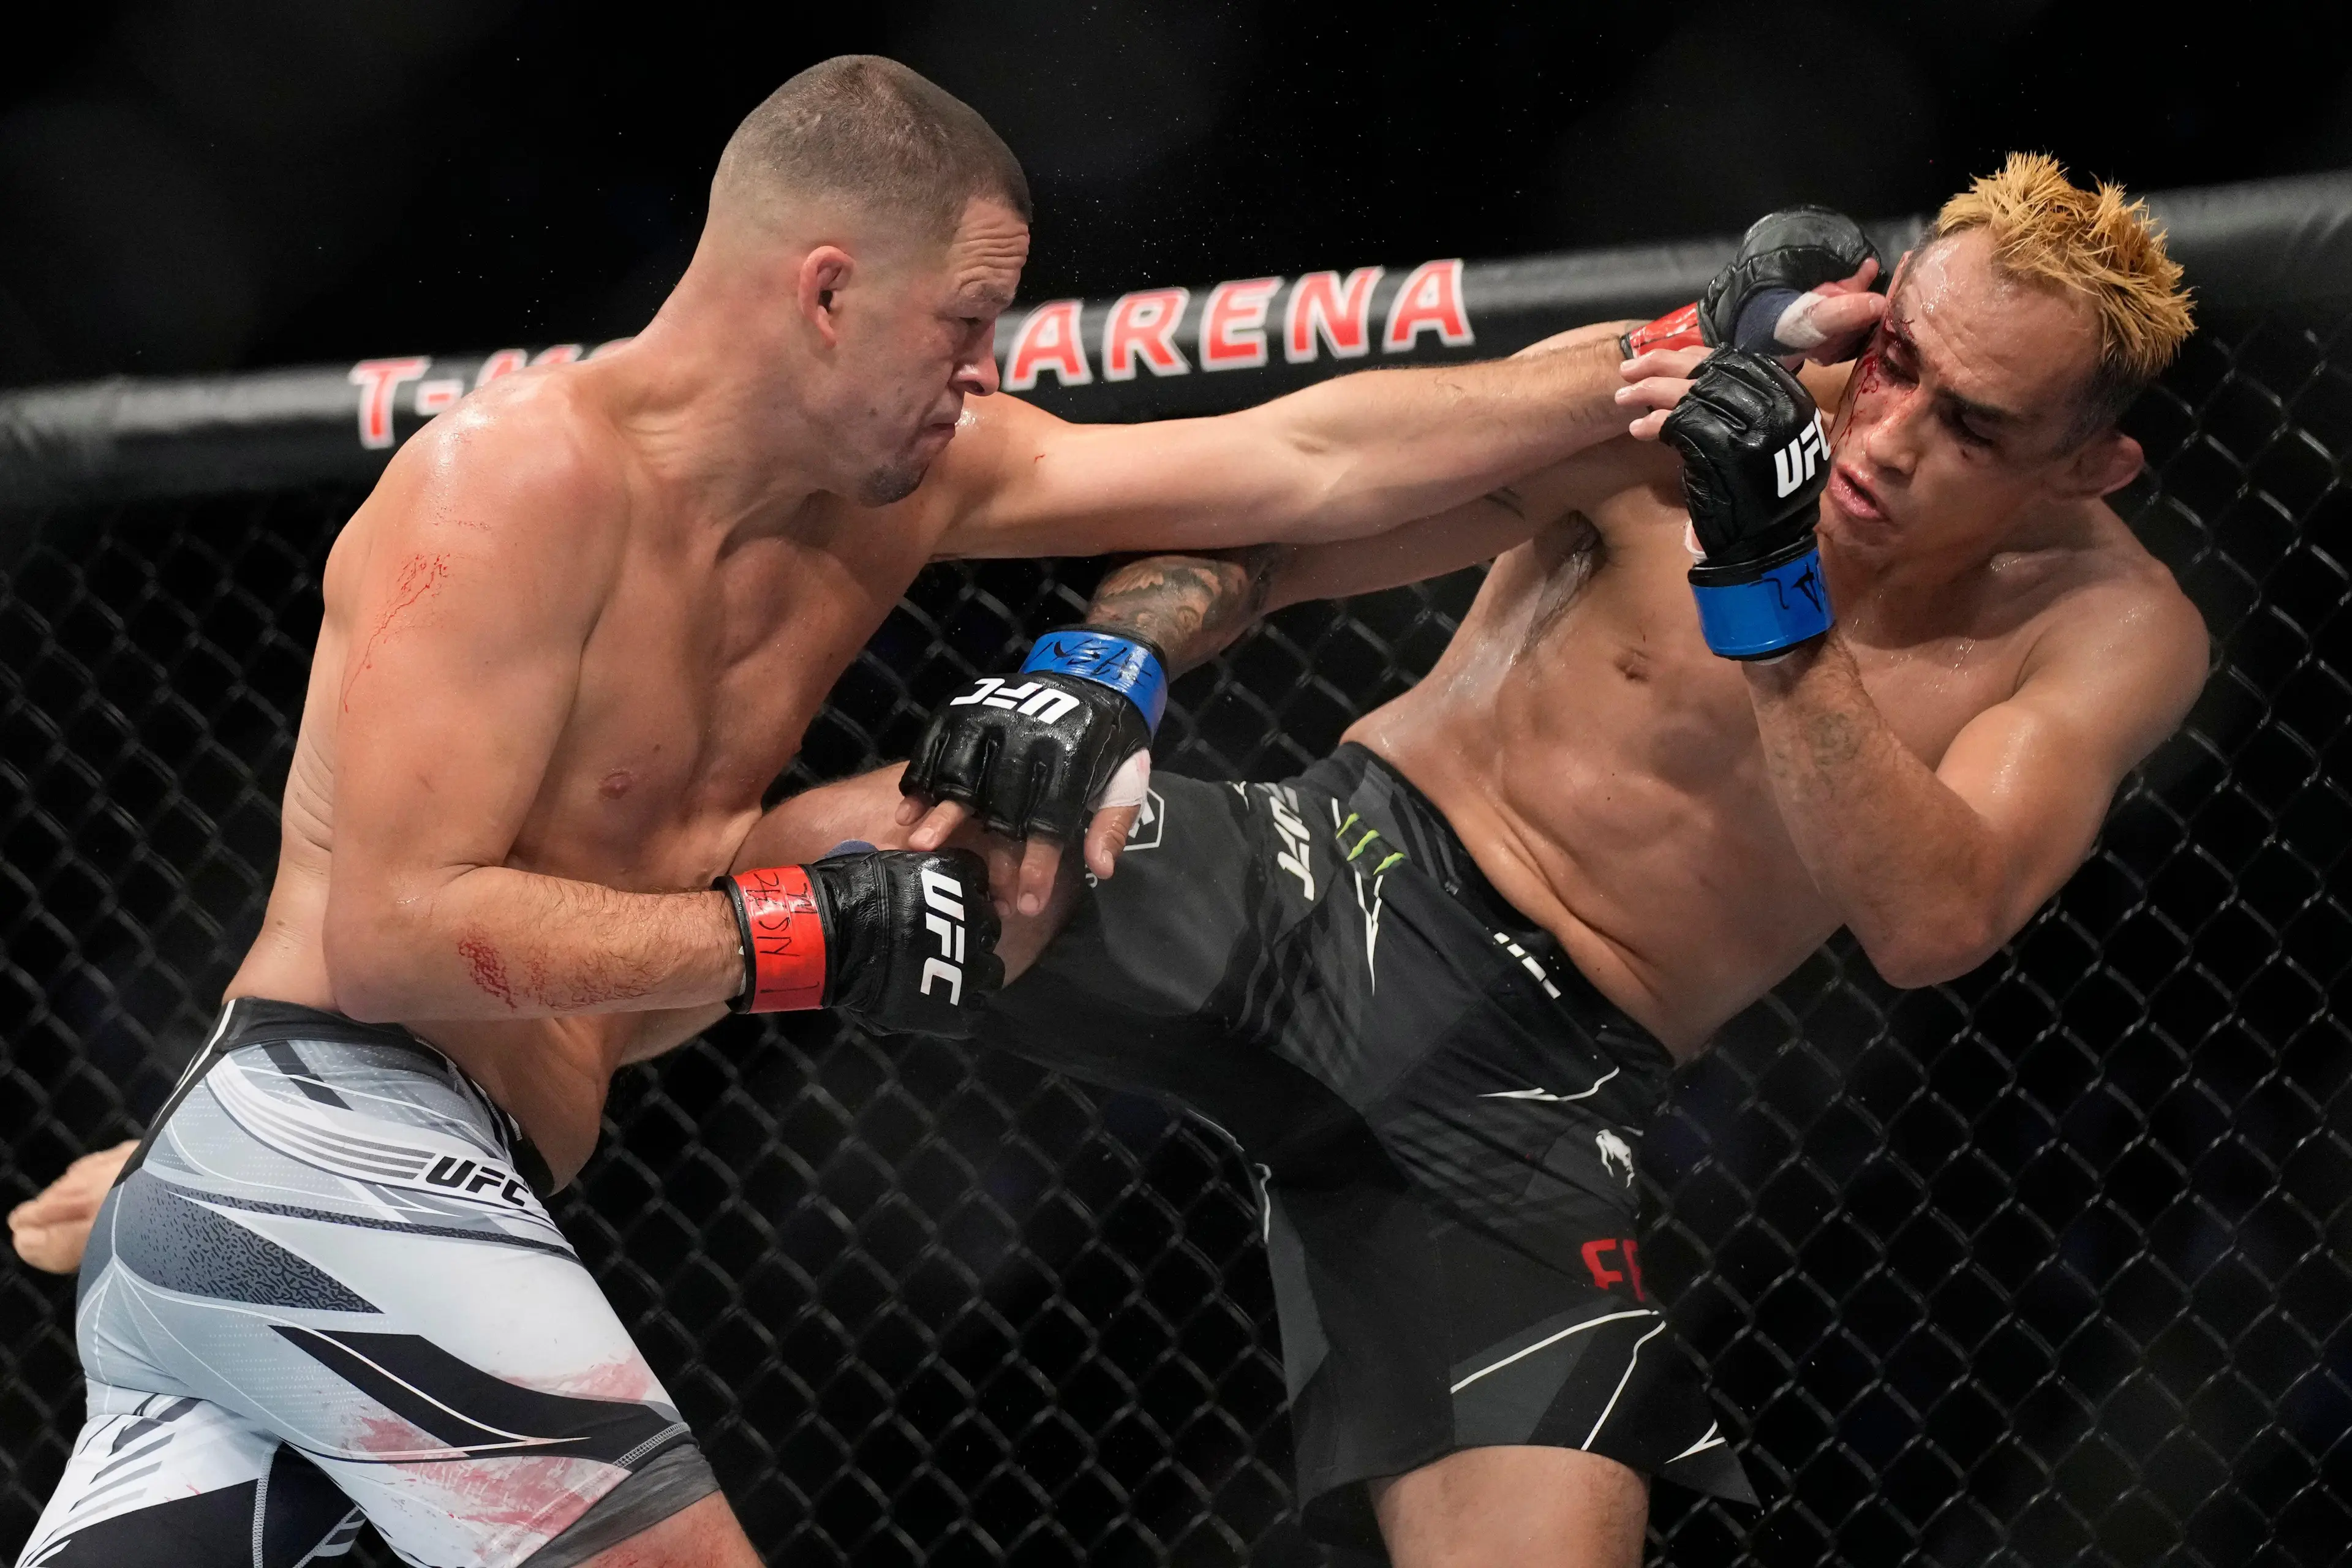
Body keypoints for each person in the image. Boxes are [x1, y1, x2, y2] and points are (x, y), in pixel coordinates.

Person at [13, 49, 1841, 1568]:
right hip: (340, 1145)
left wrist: (1670, 356)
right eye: (965, 321)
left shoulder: (900, 482)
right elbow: (395, 927)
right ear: (825, 290)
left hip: (320, 1181)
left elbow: (1311, 455)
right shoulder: (506, 491)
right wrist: (812, 933)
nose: (987, 369)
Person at [748, 154, 2211, 1567]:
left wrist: (1771, 591)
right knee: (826, 846)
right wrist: (1107, 664)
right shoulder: (1691, 388)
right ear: (1874, 310)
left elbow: (1933, 917)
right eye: (1898, 364)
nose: (1890, 435)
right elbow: (1297, 519)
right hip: (1336, 867)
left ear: (2092, 465)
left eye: (1977, 426)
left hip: (1545, 1078)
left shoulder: (2106, 626)